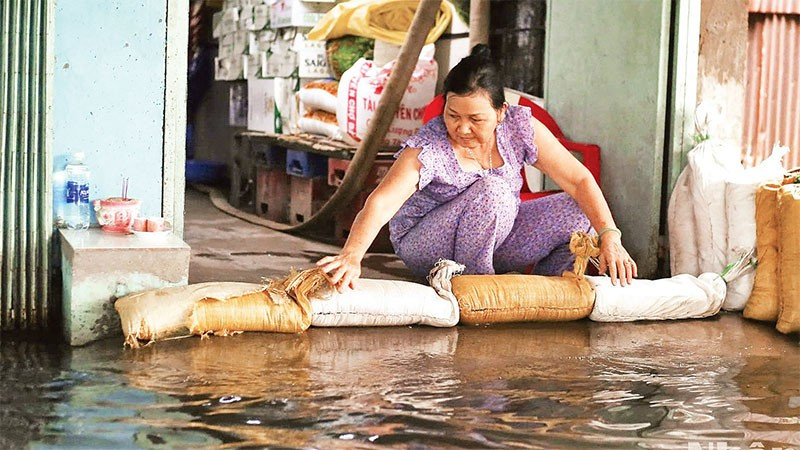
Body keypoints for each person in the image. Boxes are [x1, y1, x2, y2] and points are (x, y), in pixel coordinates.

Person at [317, 44, 637, 291]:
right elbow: (382, 201)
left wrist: (610, 234)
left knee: (578, 211)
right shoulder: (430, 146)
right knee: (492, 190)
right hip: (427, 242)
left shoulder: (519, 127)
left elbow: (579, 179)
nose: (462, 128)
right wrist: (352, 256)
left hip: (497, 235)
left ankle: (549, 293)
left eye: (475, 119)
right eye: (453, 115)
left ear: (501, 113)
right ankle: (477, 287)